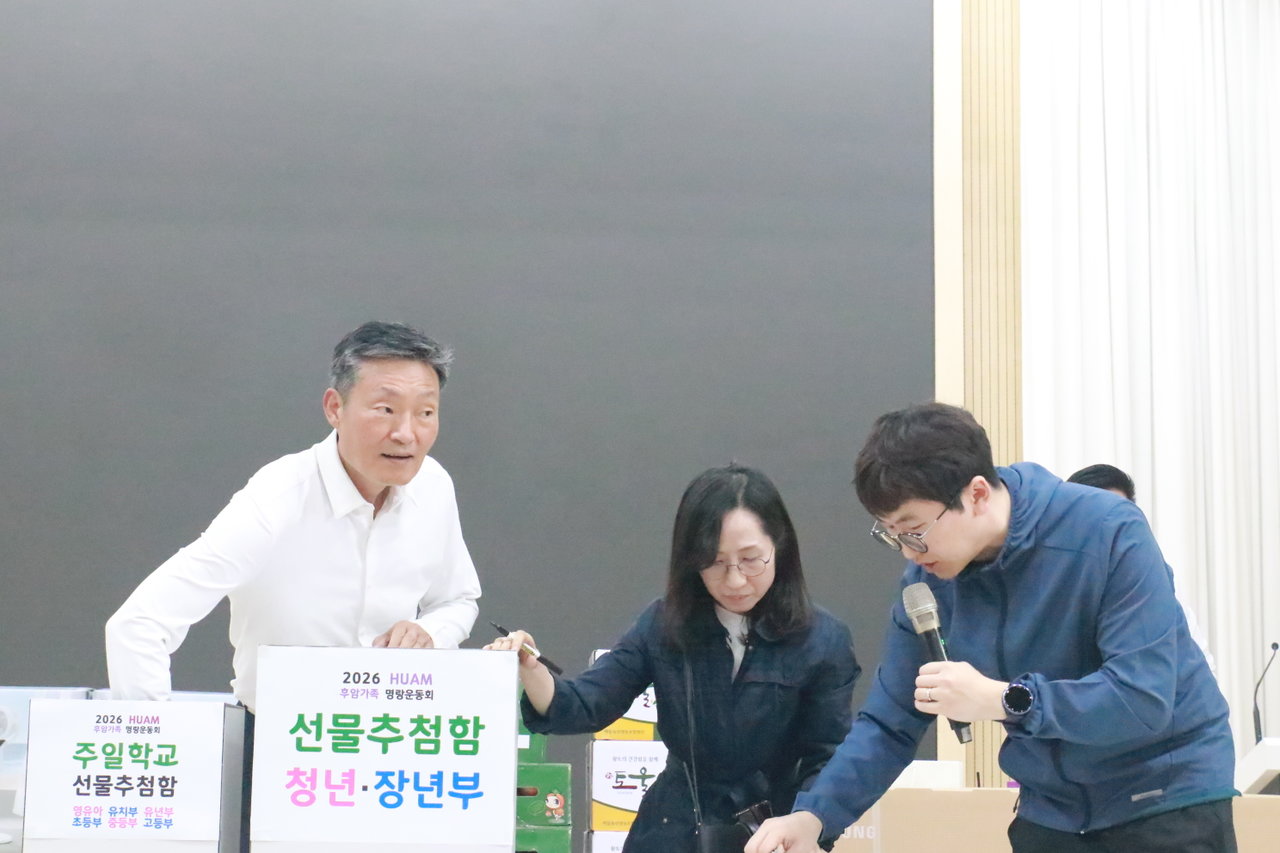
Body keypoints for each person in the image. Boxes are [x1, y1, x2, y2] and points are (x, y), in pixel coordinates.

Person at [747, 403, 1236, 853]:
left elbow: (1141, 698)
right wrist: (814, 816)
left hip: (1166, 797)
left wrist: (1005, 700)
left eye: (914, 529)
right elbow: (890, 722)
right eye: (890, 534)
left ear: (977, 493)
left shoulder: (1106, 530)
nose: (908, 550)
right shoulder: (926, 584)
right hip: (1053, 812)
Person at [105, 320, 482, 711]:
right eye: (385, 409)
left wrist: (428, 632)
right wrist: (153, 735)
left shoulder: (433, 486)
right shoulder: (276, 499)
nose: (406, 433)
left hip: (389, 734)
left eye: (425, 412)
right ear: (335, 408)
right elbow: (138, 626)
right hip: (279, 735)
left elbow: (458, 600)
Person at [488, 465, 860, 853]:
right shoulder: (666, 623)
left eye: (751, 559)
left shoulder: (822, 640)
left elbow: (827, 758)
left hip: (771, 834)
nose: (735, 580)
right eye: (715, 562)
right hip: (673, 829)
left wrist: (808, 825)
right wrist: (531, 668)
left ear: (779, 547)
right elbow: (588, 703)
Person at [1067, 462, 1218, 674]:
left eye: (1118, 515)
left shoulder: (1156, 579)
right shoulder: (1058, 584)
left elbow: (1199, 665)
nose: (1109, 527)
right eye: (1096, 516)